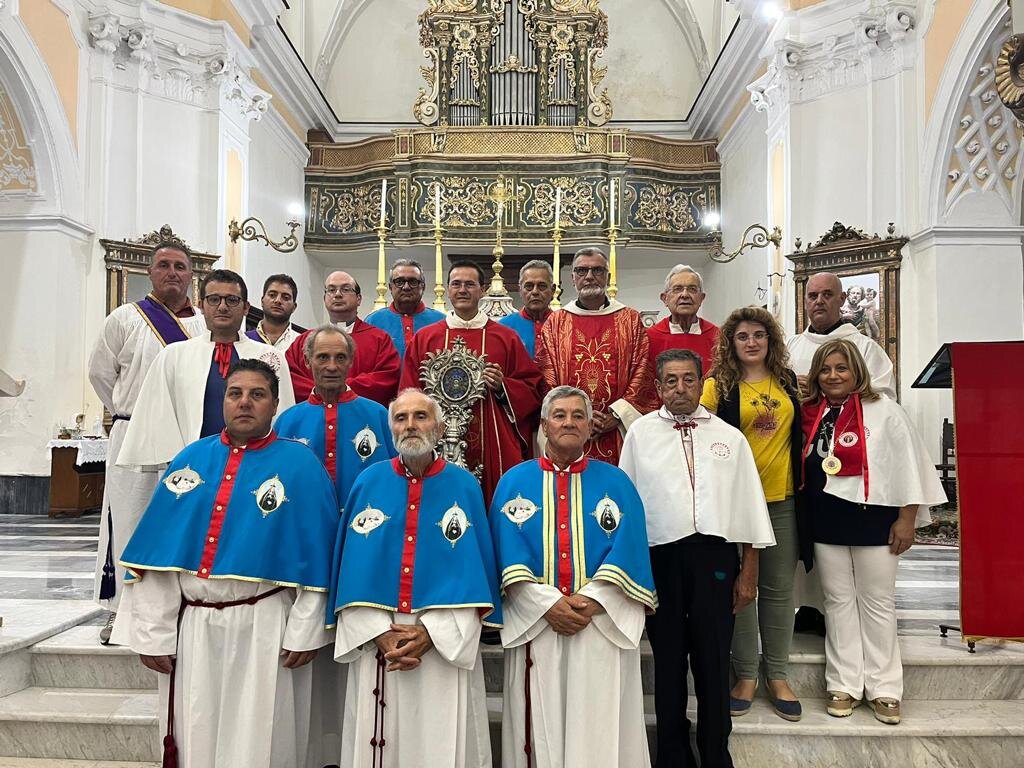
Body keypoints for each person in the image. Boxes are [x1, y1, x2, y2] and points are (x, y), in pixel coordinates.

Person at [110, 359, 338, 768]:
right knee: (196, 731)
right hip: (193, 629)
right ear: (223, 402)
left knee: (262, 736)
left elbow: (318, 560)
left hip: (267, 626)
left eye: (257, 394)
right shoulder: (190, 460)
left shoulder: (302, 467)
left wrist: (304, 631)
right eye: (235, 394)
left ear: (275, 405)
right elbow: (159, 559)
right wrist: (154, 633)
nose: (245, 403)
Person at [329, 388, 501, 768]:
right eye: (401, 418)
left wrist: (431, 634)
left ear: (440, 428)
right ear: (390, 428)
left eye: (420, 417)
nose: (410, 425)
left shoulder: (464, 486)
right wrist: (378, 631)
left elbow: (477, 572)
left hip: (441, 644)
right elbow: (351, 567)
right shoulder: (367, 483)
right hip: (379, 641)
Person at [620, 349, 775, 768]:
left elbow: (748, 507)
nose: (680, 388)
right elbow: (628, 510)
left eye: (688, 379)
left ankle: (714, 753)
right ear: (659, 387)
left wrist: (749, 573)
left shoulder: (728, 436)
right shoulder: (640, 435)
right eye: (671, 381)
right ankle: (672, 756)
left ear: (701, 381)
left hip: (714, 558)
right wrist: (634, 575)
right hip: (661, 559)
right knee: (668, 662)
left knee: (711, 658)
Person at [490, 386, 656, 768]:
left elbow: (630, 549)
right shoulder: (513, 483)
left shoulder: (617, 483)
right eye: (560, 415)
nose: (569, 422)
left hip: (598, 623)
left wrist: (593, 600)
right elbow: (504, 551)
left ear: (589, 426)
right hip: (537, 624)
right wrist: (547, 605)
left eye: (578, 415)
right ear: (545, 425)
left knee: (598, 722)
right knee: (539, 724)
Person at [800, 339, 945, 725]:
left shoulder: (886, 412)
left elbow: (908, 466)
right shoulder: (811, 413)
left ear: (857, 372)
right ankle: (844, 683)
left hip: (876, 520)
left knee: (877, 603)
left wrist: (907, 518)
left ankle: (885, 688)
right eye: (826, 369)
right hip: (826, 520)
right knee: (837, 602)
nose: (833, 376)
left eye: (841, 368)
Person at [274, 325, 397, 767]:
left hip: (364, 550)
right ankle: (312, 748)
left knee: (355, 646)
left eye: (338, 358)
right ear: (307, 363)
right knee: (308, 649)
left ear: (352, 362)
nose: (330, 366)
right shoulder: (286, 422)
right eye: (321, 358)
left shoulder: (378, 416)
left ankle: (353, 745)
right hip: (306, 553)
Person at [87, 239, 208, 642]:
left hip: (186, 435)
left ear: (191, 274)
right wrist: (132, 414)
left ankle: (179, 607)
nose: (172, 273)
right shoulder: (125, 318)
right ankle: (121, 611)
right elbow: (101, 374)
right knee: (129, 519)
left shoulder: (203, 324)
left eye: (180, 266)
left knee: (182, 521)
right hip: (132, 432)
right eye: (164, 266)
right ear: (151, 273)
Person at [700, 307, 806, 722]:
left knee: (779, 589)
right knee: (740, 589)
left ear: (770, 341)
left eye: (759, 335)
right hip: (734, 503)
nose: (751, 342)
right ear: (730, 343)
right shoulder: (717, 386)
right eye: (742, 336)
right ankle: (745, 674)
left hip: (781, 499)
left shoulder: (788, 383)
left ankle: (777, 674)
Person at [117, 268, 294, 473]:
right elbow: (160, 415)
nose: (222, 307)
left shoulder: (271, 357)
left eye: (232, 300)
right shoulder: (173, 355)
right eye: (214, 299)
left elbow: (283, 417)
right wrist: (179, 464)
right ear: (201, 305)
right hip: (191, 466)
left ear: (246, 307)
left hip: (256, 466)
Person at [401, 260, 543, 504]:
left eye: (469, 284)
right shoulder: (425, 338)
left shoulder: (505, 338)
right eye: (456, 284)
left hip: (492, 439)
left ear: (482, 290)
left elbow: (532, 387)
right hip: (437, 437)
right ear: (447, 290)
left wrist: (503, 386)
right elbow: (408, 392)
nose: (462, 290)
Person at [536, 247, 657, 464]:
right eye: (582, 271)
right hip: (568, 428)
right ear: (573, 278)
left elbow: (643, 370)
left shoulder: (629, 320)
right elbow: (547, 376)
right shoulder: (556, 323)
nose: (589, 276)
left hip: (617, 430)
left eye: (597, 270)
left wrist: (617, 415)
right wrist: (572, 417)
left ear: (608, 277)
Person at [287, 271, 400, 404]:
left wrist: (335, 388)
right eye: (331, 290)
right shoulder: (303, 341)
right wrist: (325, 391)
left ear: (359, 299)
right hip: (313, 416)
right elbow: (289, 379)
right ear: (324, 298)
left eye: (345, 289)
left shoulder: (380, 339)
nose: (338, 294)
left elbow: (387, 377)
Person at [787, 272, 895, 398]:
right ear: (805, 302)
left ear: (842, 299)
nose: (819, 301)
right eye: (813, 296)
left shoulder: (866, 347)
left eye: (827, 295)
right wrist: (790, 388)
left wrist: (823, 393)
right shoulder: (790, 346)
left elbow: (884, 398)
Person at [646, 264, 720, 376]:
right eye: (677, 289)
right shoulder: (648, 339)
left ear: (701, 298)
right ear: (665, 298)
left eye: (692, 289)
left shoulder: (719, 337)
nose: (685, 295)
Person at [364, 259, 445, 359]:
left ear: (423, 287)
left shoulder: (441, 321)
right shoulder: (372, 322)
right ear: (390, 287)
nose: (406, 287)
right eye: (399, 282)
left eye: (413, 282)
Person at [498, 259, 555, 358]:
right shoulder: (503, 327)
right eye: (529, 286)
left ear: (553, 290)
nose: (535, 292)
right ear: (520, 290)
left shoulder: (564, 325)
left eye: (542, 286)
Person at [246, 273, 302, 350]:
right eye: (272, 295)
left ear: (294, 307)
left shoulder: (302, 344)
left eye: (285, 297)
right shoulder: (244, 340)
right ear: (262, 301)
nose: (278, 300)